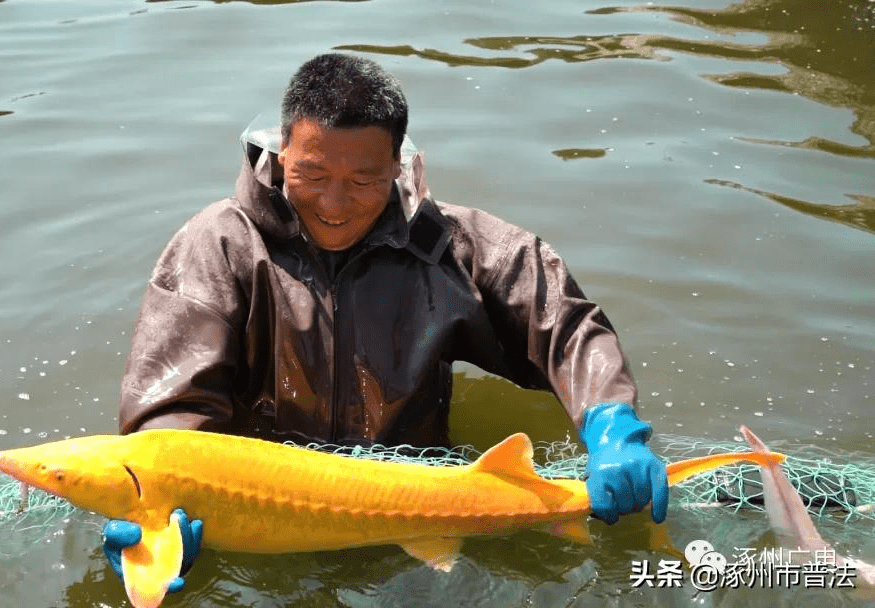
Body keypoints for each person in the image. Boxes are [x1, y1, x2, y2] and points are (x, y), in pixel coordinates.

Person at [101, 52, 668, 592]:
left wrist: (613, 426)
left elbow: (564, 326)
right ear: (280, 155)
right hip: (265, 519)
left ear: (398, 167)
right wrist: (155, 504)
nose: (335, 203)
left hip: (422, 511)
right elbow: (172, 406)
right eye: (312, 173)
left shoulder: (449, 246)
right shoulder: (217, 246)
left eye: (364, 180)